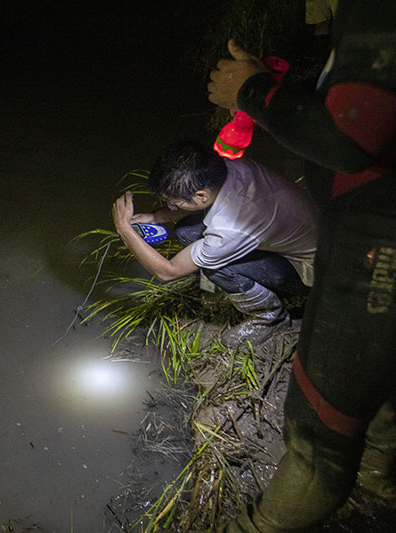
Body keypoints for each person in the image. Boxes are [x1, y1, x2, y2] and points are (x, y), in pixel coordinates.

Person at [206, 1, 396, 531]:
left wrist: (252, 92)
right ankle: (379, 478)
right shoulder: (238, 183)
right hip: (359, 227)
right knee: (382, 380)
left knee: (317, 440)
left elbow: (354, 135)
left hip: (378, 242)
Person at [112, 140, 317, 345]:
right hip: (307, 232)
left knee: (213, 267)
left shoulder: (229, 229)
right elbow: (202, 204)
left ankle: (270, 316)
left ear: (201, 195)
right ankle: (248, 290)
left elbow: (167, 272)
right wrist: (155, 217)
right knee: (187, 231)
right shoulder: (230, 162)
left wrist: (124, 230)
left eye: (174, 202)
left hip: (312, 274)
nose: (171, 206)